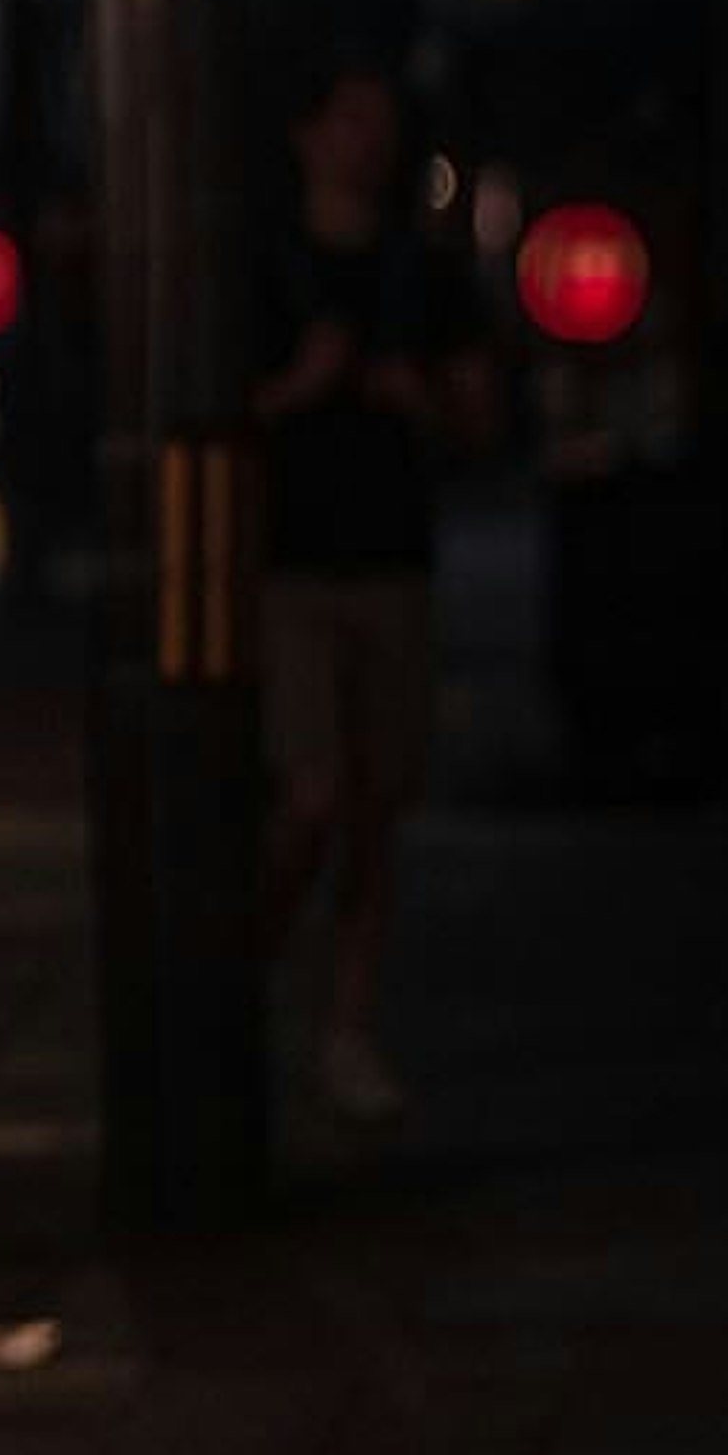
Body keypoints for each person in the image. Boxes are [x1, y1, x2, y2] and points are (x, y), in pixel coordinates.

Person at [252, 61, 495, 1124]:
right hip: (292, 563)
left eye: (380, 123)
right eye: (348, 120)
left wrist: (421, 400)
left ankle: (347, 1023)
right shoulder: (263, 264)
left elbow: (483, 420)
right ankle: (244, 969)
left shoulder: (422, 274)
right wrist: (300, 387)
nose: (367, 142)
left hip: (392, 557)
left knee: (376, 810)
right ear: (306, 135)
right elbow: (205, 418)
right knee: (314, 791)